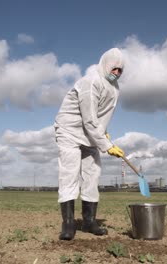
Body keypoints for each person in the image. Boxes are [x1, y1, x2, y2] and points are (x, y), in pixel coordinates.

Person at [54, 48, 125, 240]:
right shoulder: (90, 81)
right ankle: (68, 224)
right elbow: (89, 119)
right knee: (70, 173)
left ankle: (89, 221)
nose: (116, 73)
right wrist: (107, 145)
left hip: (91, 134)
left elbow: (101, 116)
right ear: (105, 65)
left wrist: (104, 133)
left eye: (120, 70)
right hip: (70, 130)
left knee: (93, 174)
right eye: (114, 68)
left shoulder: (115, 88)